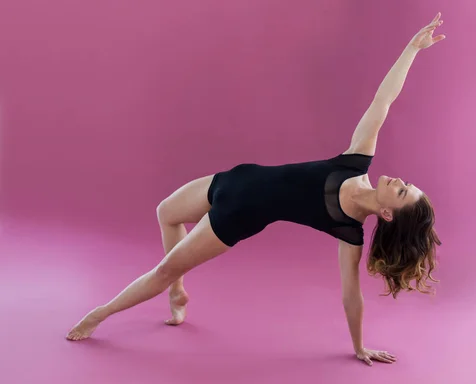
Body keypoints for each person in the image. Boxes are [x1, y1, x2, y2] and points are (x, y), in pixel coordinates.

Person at [66, 13, 445, 366]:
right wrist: (411, 49)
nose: (398, 181)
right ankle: (179, 293)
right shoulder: (356, 161)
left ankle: (101, 314)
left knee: (164, 268)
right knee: (166, 212)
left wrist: (360, 347)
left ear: (388, 213)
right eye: (406, 184)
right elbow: (384, 101)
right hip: (234, 179)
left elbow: (351, 296)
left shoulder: (348, 229)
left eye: (401, 191)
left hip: (235, 217)